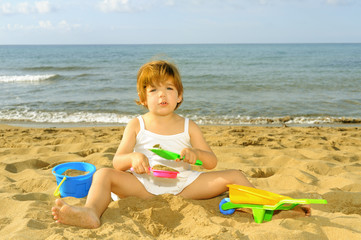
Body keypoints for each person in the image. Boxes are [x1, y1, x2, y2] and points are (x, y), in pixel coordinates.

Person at [51, 60, 310, 229]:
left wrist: (195, 154)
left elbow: (211, 163)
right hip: (144, 186)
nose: (161, 94)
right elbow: (118, 161)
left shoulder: (189, 126)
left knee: (235, 175)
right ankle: (91, 213)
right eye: (153, 90)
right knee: (104, 173)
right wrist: (133, 159)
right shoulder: (136, 124)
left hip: (185, 184)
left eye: (168, 88)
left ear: (179, 96)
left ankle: (269, 205)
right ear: (143, 99)